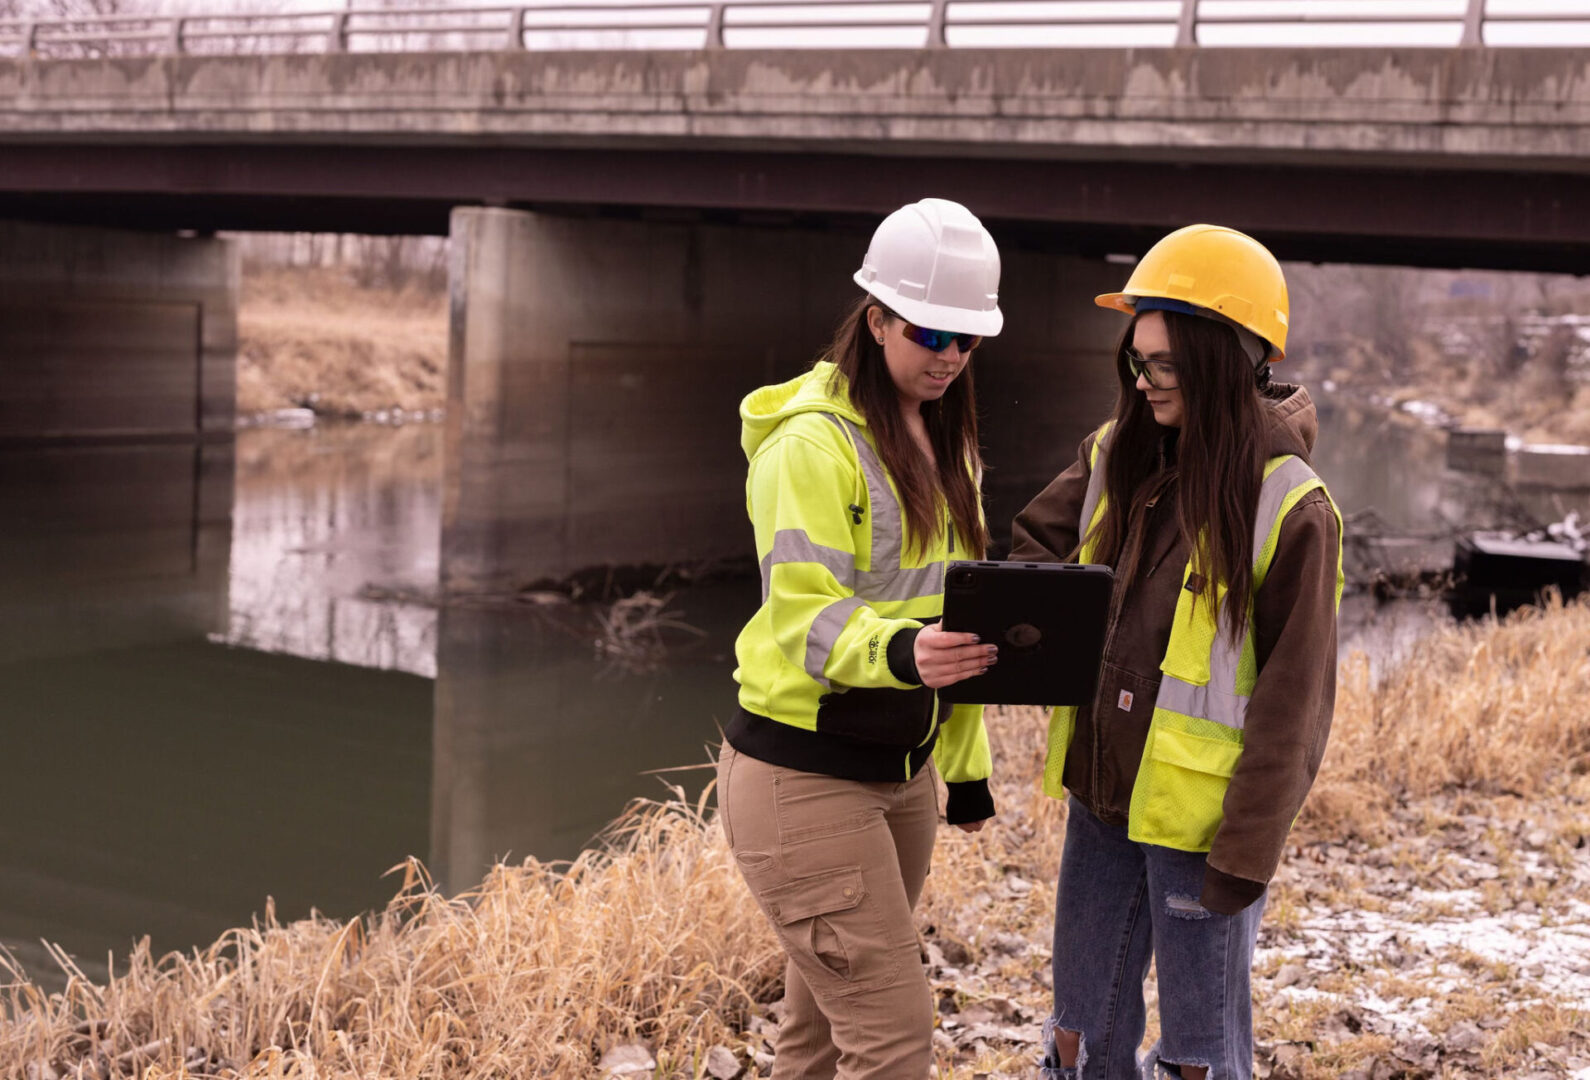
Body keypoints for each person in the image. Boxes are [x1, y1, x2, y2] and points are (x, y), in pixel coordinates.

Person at [1013, 225, 1343, 1080]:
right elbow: (1026, 562)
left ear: (1225, 359)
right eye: (1137, 361)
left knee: (1199, 1060)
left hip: (1206, 829)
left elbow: (1293, 705)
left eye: (1164, 364)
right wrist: (1019, 642)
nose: (1145, 381)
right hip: (1103, 797)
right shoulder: (1115, 453)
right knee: (1079, 1040)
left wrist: (1246, 853)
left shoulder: (1292, 507)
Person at [717, 197, 1003, 1080]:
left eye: (969, 339)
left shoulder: (948, 444)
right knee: (893, 1036)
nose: (950, 356)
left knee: (820, 1038)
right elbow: (803, 615)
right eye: (930, 332)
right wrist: (900, 654)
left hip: (900, 769)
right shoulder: (809, 448)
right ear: (876, 319)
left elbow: (951, 618)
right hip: (804, 779)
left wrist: (964, 769)